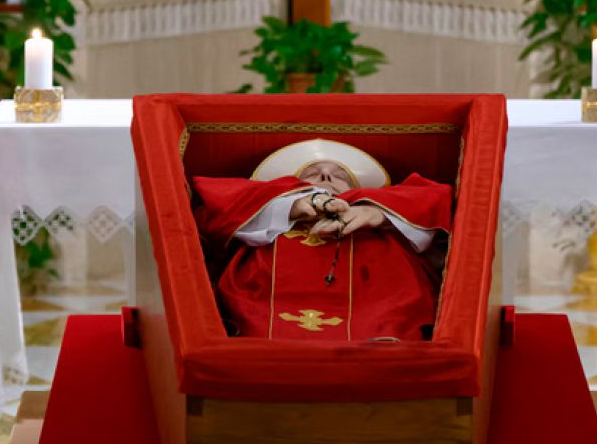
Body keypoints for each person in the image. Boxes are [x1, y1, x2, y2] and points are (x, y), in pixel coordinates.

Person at [193, 139, 453, 342]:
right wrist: (294, 206)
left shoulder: (384, 220)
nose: (327, 178)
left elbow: (432, 205)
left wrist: (375, 214)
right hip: (265, 316)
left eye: (341, 175)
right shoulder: (263, 214)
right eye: (312, 172)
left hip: (374, 316)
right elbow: (215, 211)